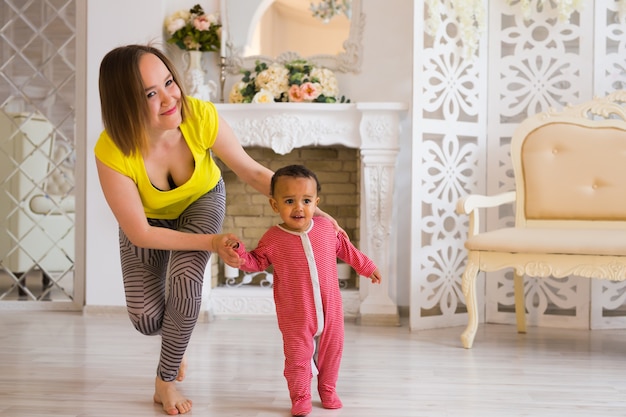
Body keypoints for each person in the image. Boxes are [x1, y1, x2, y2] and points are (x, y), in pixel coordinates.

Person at [94, 45, 340, 415]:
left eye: (169, 82)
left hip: (201, 202)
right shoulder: (111, 149)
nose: (169, 97)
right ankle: (179, 337)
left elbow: (254, 172)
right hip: (149, 222)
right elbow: (141, 233)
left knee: (186, 285)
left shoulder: (199, 116)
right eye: (150, 93)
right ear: (123, 102)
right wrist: (211, 242)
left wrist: (315, 210)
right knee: (146, 319)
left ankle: (165, 382)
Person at [227, 164, 382, 416]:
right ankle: (300, 396)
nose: (299, 207)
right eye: (289, 200)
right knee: (298, 358)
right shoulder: (273, 238)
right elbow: (256, 261)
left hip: (331, 310)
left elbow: (348, 250)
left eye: (306, 200)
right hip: (296, 315)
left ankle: (328, 389)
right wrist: (239, 253)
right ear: (275, 205)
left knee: (332, 352)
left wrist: (367, 267)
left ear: (316, 202)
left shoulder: (325, 228)